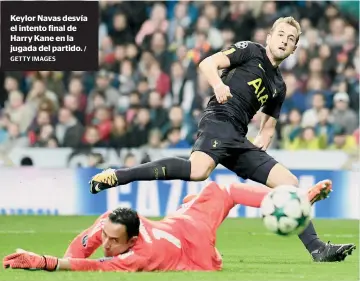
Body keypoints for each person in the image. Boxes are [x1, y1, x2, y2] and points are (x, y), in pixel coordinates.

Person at [88, 17, 355, 262]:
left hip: (238, 136)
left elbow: (269, 125)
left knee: (290, 184)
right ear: (270, 36)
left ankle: (317, 249)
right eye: (281, 34)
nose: (284, 40)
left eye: (291, 39)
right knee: (198, 170)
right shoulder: (251, 51)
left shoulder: (279, 86)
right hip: (219, 119)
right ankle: (119, 175)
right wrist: (218, 84)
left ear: (295, 48)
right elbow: (207, 63)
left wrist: (263, 137)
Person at [4, 181, 354, 272]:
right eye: (106, 237)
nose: (106, 244)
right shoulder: (114, 222)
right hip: (183, 219)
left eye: (113, 241)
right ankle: (293, 200)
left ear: (133, 239)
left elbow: (91, 265)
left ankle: (294, 200)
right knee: (217, 190)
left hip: (197, 246)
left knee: (224, 188)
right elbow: (81, 251)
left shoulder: (138, 256)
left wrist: (46, 262)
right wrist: (65, 262)